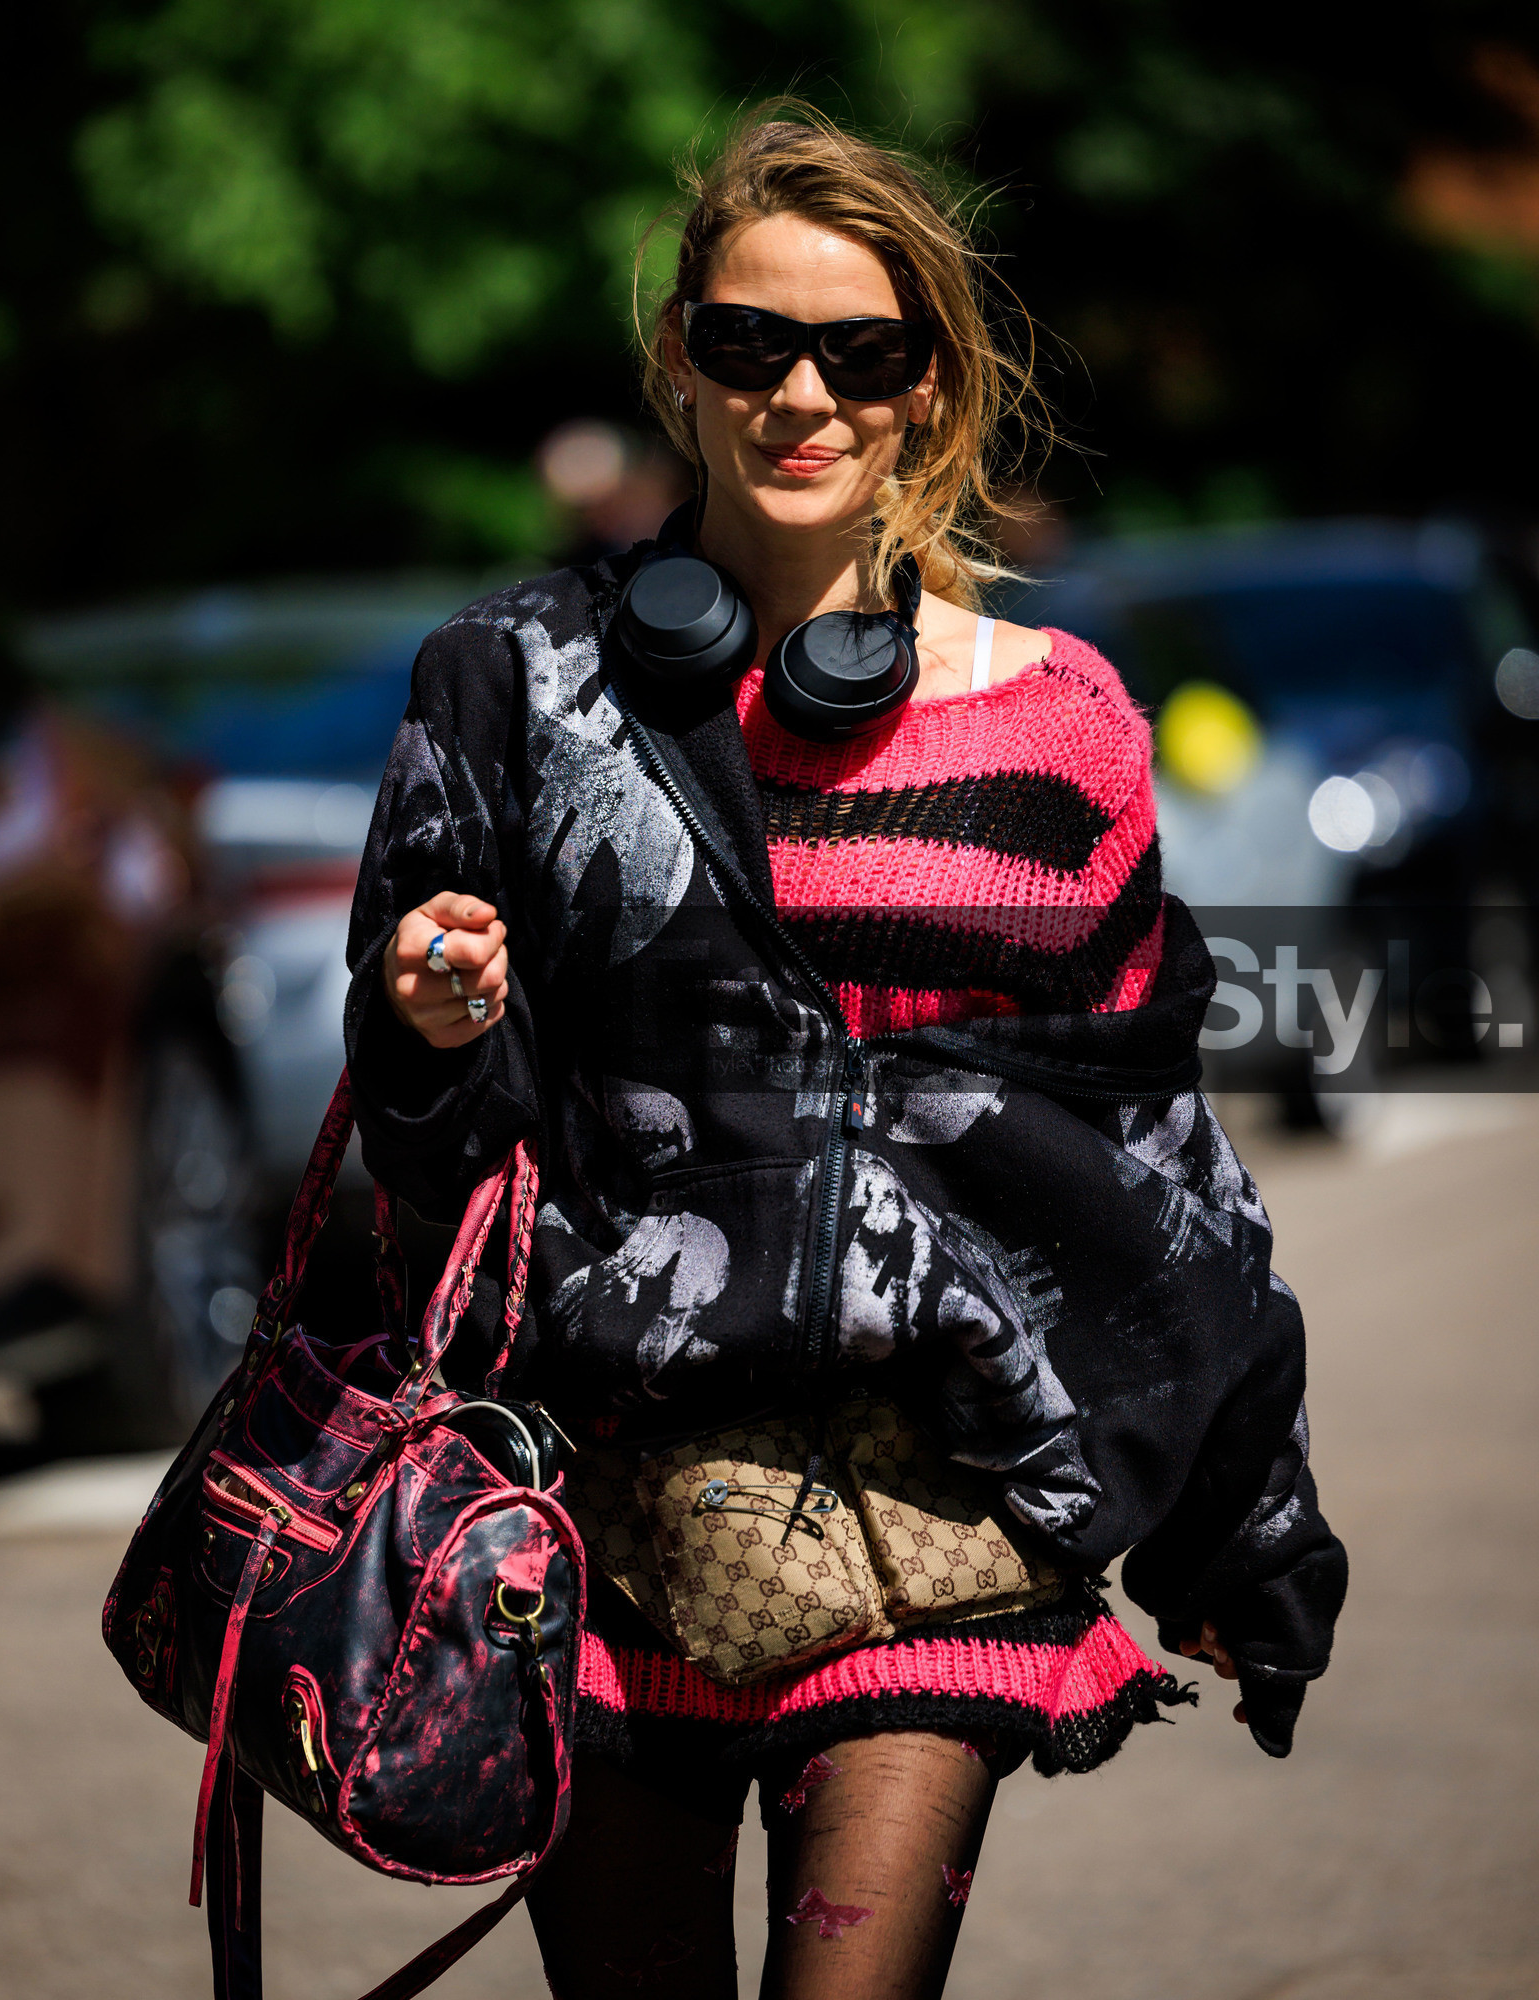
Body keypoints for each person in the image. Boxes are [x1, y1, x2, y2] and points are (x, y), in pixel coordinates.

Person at [345, 107, 1347, 2000]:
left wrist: (1245, 1526)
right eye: (750, 343)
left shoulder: (1062, 725)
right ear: (680, 367)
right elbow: (434, 1162)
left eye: (862, 354)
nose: (803, 393)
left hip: (936, 1511)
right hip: (600, 1503)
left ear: (927, 390)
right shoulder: (510, 685)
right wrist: (423, 1028)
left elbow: (1151, 1158)